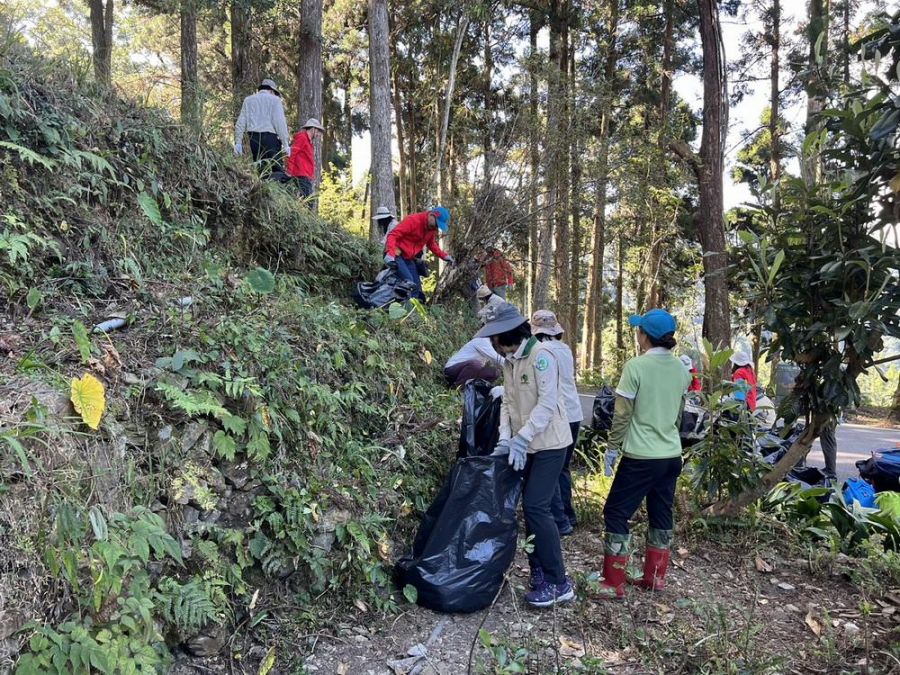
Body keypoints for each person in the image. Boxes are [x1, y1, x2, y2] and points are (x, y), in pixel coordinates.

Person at [478, 302, 575, 608]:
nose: (494, 345)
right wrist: (506, 439)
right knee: (530, 509)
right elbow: (508, 402)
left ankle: (560, 582)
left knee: (536, 507)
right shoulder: (509, 361)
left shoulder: (541, 356)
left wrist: (523, 437)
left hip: (550, 443)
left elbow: (547, 404)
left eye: (495, 339)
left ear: (506, 335)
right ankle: (539, 574)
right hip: (525, 443)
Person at [596, 309, 691, 599]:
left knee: (615, 512)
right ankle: (655, 578)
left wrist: (612, 449)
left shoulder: (636, 367)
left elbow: (622, 415)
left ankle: (613, 583)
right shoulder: (681, 370)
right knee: (661, 513)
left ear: (645, 336)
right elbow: (678, 416)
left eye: (639, 331)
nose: (637, 335)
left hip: (640, 456)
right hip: (671, 456)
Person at [530, 310, 584, 536]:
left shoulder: (538, 352)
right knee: (563, 468)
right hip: (574, 413)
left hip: (556, 415)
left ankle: (559, 521)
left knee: (547, 468)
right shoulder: (565, 349)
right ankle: (567, 516)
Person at [384, 207, 455, 301]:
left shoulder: (431, 229)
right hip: (396, 255)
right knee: (409, 282)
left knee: (416, 288)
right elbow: (393, 235)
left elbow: (431, 244)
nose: (436, 227)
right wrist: (390, 254)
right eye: (437, 224)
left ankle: (412, 312)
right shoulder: (413, 220)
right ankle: (398, 308)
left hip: (409, 258)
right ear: (432, 215)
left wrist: (444, 256)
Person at [234, 79, 291, 176]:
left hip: (254, 139)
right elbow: (279, 123)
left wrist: (238, 142)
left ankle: (263, 189)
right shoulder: (275, 100)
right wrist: (285, 144)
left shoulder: (248, 100)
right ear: (272, 91)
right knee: (276, 168)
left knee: (261, 170)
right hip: (270, 139)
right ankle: (275, 189)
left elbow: (241, 122)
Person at [286, 118, 325, 199]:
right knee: (308, 202)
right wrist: (289, 171)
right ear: (313, 129)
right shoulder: (302, 137)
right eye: (318, 131)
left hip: (306, 176)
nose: (318, 134)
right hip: (300, 175)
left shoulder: (308, 142)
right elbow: (292, 153)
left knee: (307, 202)